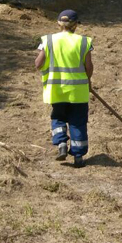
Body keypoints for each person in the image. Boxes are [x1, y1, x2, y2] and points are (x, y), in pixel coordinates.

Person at [34, 10, 93, 168]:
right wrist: (88, 80)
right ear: (75, 25)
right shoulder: (84, 42)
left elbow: (38, 64)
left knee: (58, 117)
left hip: (56, 89)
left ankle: (61, 144)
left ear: (58, 24)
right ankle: (78, 156)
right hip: (78, 91)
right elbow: (88, 67)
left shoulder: (48, 41)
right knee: (78, 122)